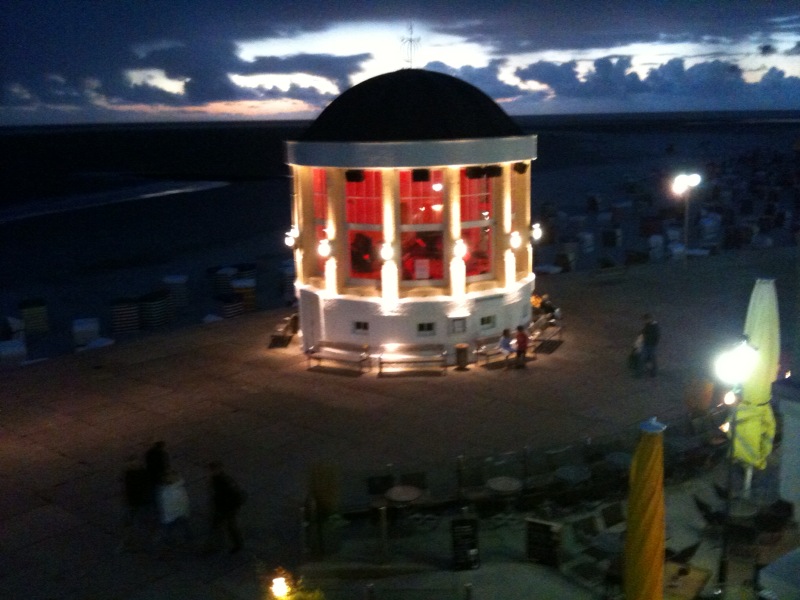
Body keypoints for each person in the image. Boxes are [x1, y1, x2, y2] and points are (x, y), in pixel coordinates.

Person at [207, 462, 245, 553]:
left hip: (226, 508)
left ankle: (230, 544)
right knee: (229, 526)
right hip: (228, 507)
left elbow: (222, 496)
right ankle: (236, 544)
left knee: (229, 526)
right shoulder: (225, 479)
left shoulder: (219, 481)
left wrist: (219, 509)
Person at [118, 455, 153, 553]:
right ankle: (130, 542)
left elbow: (124, 488)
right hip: (138, 502)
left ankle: (127, 542)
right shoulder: (141, 473)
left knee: (130, 522)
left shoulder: (129, 474)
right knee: (139, 522)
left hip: (134, 502)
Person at [154, 469, 193, 550]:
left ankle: (169, 540)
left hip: (172, 513)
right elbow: (184, 500)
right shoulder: (178, 488)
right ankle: (187, 538)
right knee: (183, 525)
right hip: (179, 512)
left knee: (171, 527)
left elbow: (164, 503)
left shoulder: (165, 490)